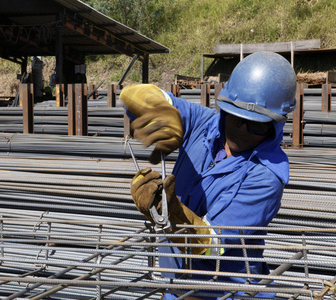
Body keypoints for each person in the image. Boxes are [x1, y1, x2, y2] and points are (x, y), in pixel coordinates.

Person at [120, 51, 297, 299]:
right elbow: (149, 100)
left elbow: (214, 246)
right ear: (225, 110)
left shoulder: (266, 177)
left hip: (227, 291)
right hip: (179, 282)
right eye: (236, 119)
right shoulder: (204, 125)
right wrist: (148, 101)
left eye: (256, 125)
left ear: (276, 124)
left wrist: (171, 212)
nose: (242, 131)